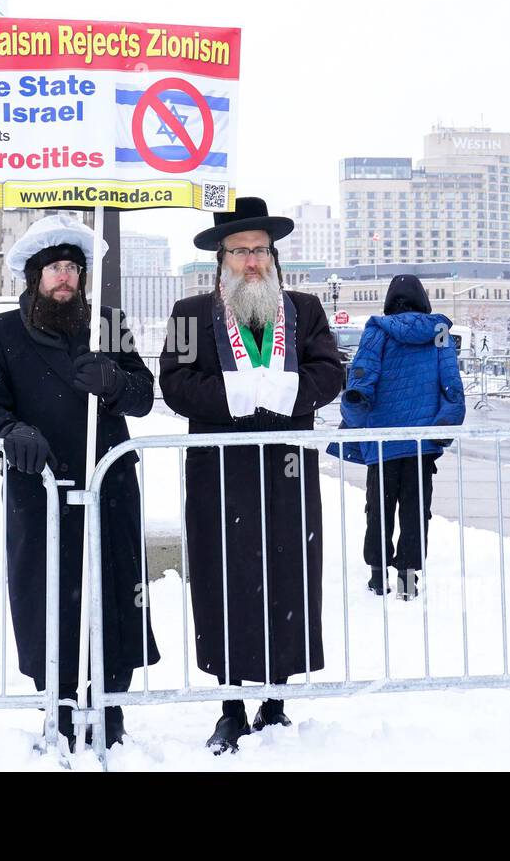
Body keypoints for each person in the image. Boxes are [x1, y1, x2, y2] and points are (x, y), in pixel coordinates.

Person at [0, 213, 159, 750]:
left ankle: (110, 705)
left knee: (115, 596)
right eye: (54, 267)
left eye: (73, 267)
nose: (66, 277)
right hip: (40, 494)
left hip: (109, 489)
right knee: (46, 599)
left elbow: (144, 396)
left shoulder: (107, 324)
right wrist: (12, 432)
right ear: (34, 276)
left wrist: (116, 381)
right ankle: (59, 702)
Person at [159, 197, 344, 753]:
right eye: (240, 251)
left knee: (288, 578)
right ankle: (230, 705)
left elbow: (330, 372)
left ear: (273, 255)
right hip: (220, 473)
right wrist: (233, 396)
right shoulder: (190, 314)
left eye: (260, 250)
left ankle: (276, 698)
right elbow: (175, 384)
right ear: (222, 257)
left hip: (287, 471)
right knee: (226, 582)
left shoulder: (304, 310)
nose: (251, 262)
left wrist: (290, 391)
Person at [331, 275, 465, 600]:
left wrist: (354, 416)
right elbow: (451, 383)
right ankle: (407, 581)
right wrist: (444, 425)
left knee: (379, 507)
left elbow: (363, 376)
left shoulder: (377, 329)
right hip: (421, 440)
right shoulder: (439, 332)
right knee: (415, 510)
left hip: (383, 439)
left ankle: (378, 578)